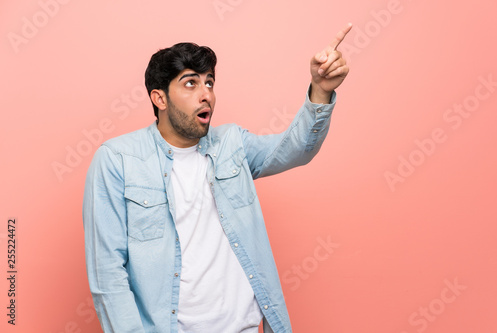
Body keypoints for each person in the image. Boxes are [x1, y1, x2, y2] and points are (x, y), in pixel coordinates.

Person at [83, 23, 352, 333]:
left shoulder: (232, 144)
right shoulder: (117, 159)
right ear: (159, 98)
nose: (205, 94)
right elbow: (107, 274)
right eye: (190, 83)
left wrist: (321, 89)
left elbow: (296, 149)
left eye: (209, 83)